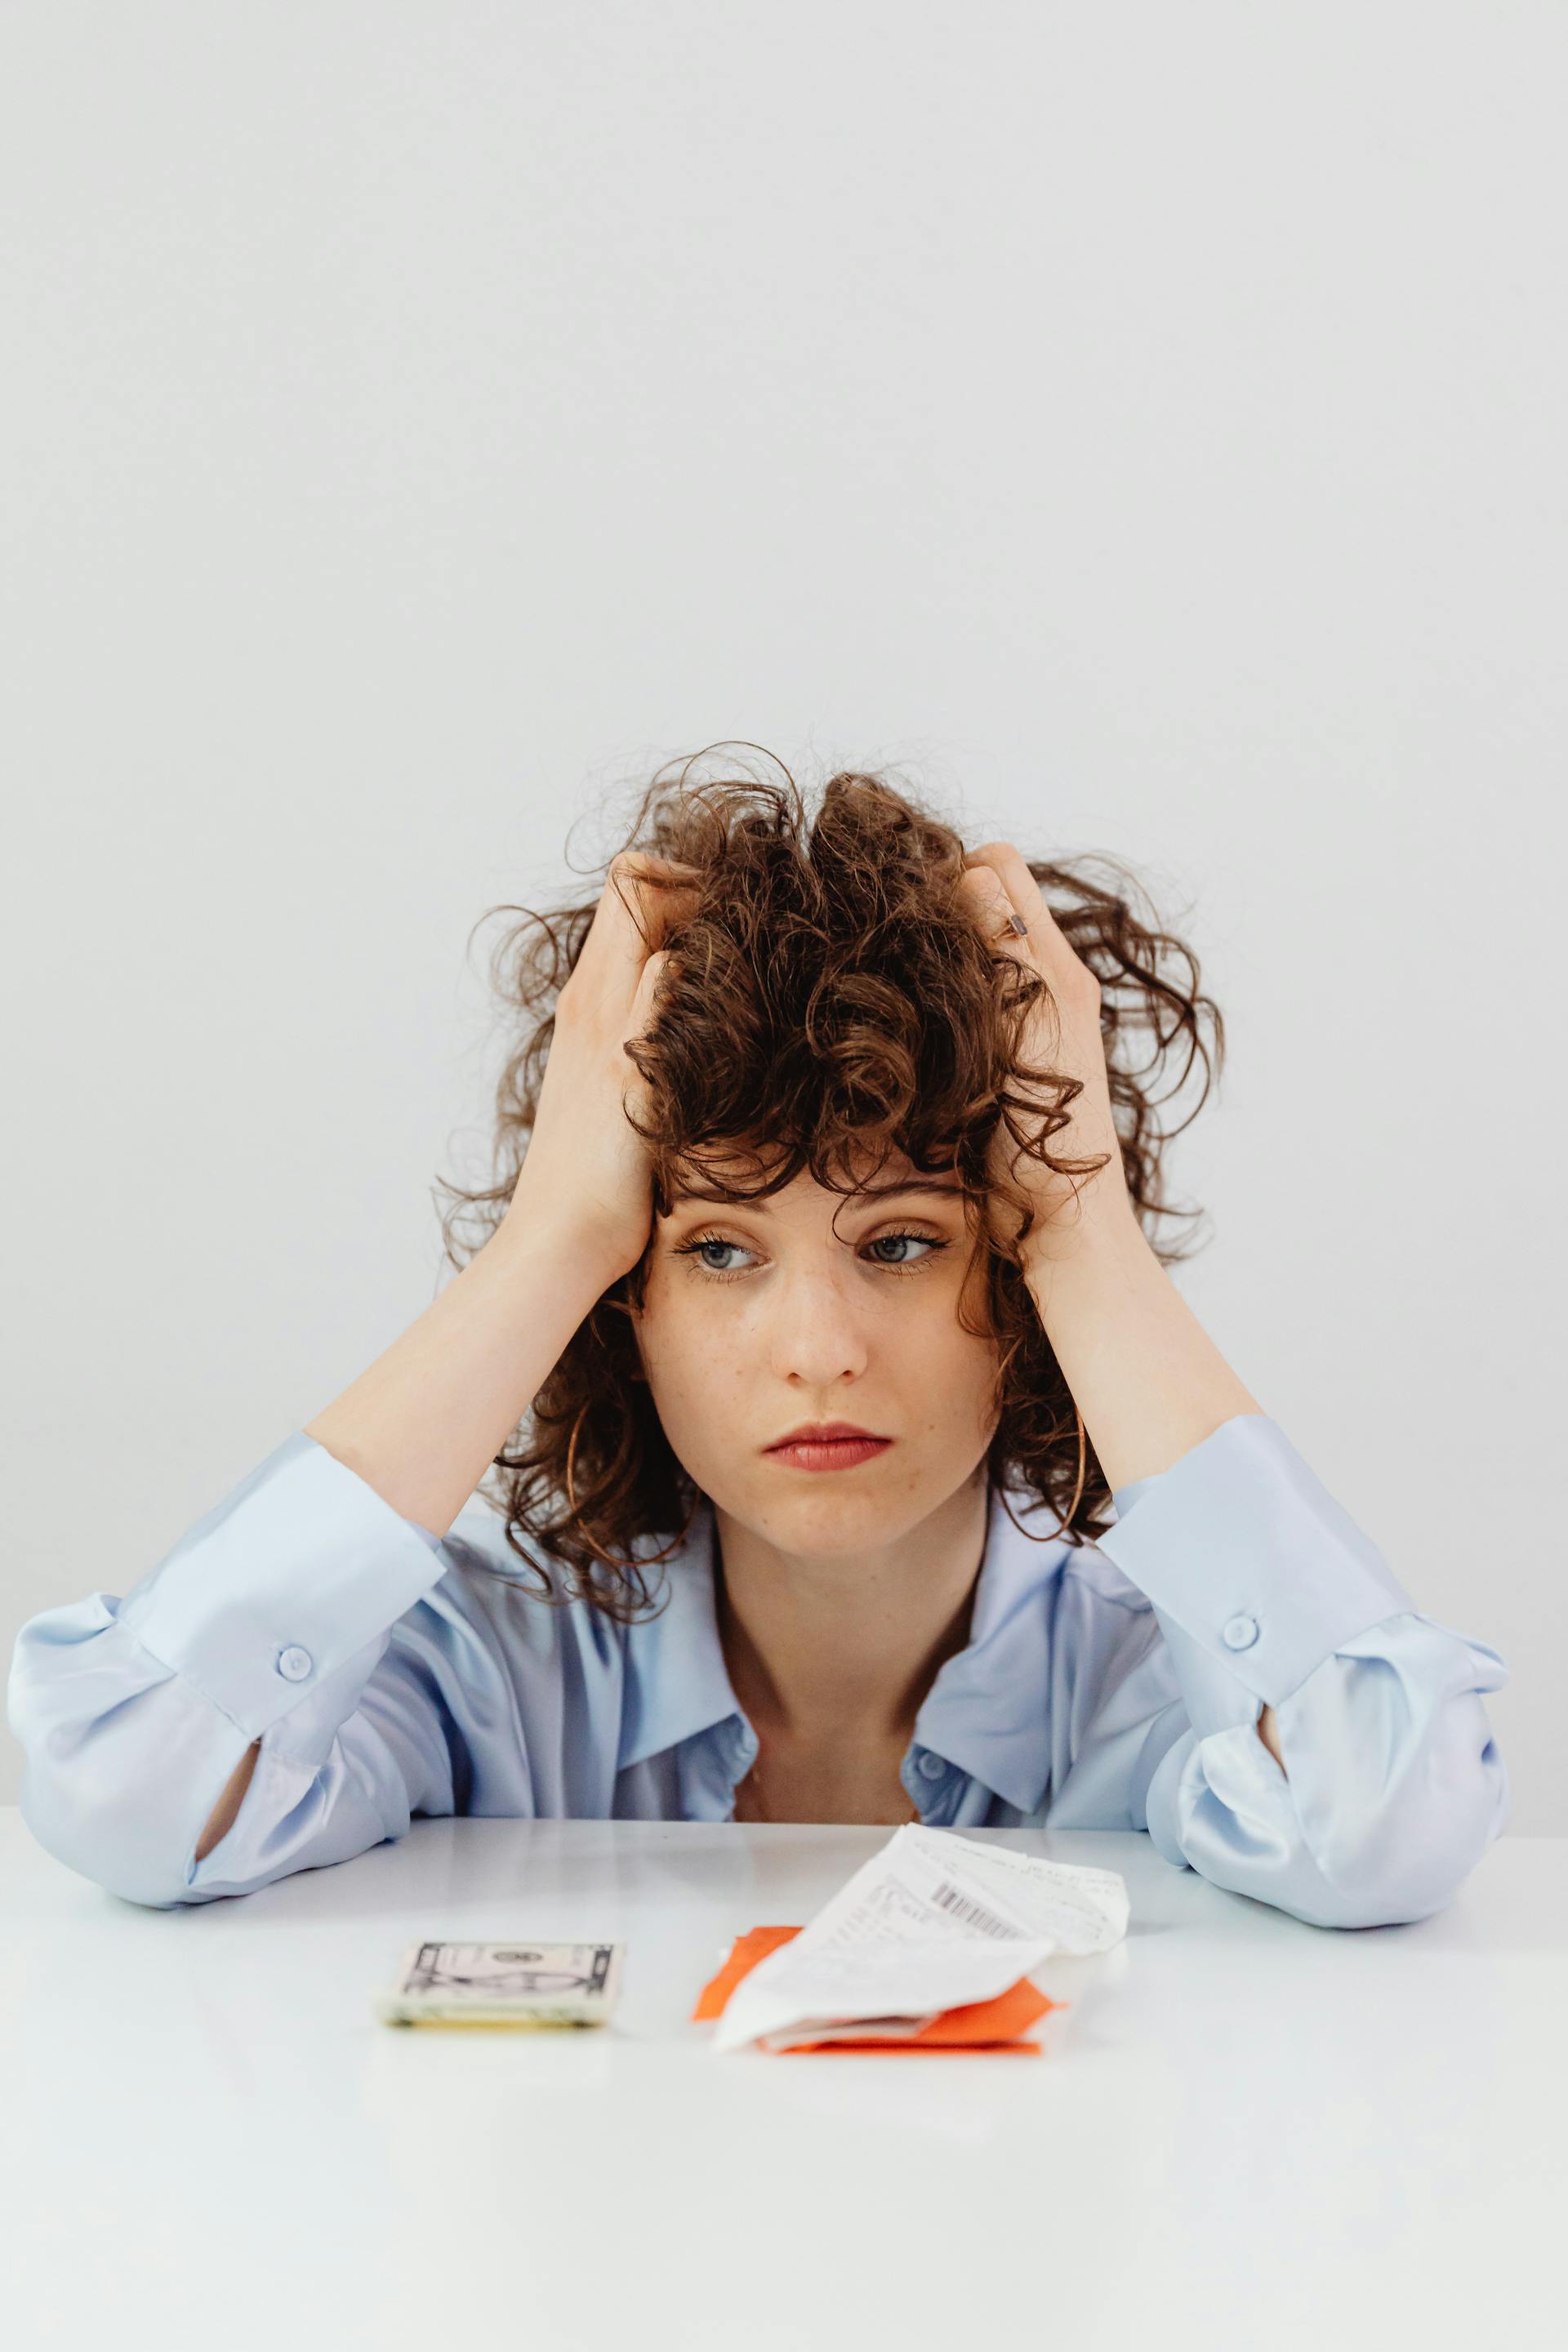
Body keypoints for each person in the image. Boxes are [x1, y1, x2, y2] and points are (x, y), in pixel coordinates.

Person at [7, 751, 1510, 1924]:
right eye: (720, 1250)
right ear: (629, 1308)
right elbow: (133, 1794)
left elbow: (1382, 1823)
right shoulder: (493, 1677)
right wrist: (555, 1237)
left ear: (1024, 1289)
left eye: (905, 1245)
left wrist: (1082, 1216)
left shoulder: (1148, 1693)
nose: (819, 1351)